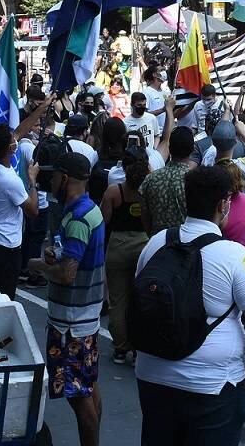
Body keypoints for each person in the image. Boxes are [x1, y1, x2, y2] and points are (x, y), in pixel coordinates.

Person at [134, 166, 245, 446]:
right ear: (223, 204)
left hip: (152, 374)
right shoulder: (236, 256)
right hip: (213, 383)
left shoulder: (156, 243)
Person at [25, 153, 105, 446]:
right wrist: (55, 255)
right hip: (84, 319)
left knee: (79, 397)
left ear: (65, 179)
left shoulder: (79, 219)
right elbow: (74, 258)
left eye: (55, 175)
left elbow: (67, 274)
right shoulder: (87, 210)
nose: (52, 181)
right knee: (89, 389)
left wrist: (38, 265)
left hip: (71, 325)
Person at [0, 123, 39, 300]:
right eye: (13, 139)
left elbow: (19, 132)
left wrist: (43, 107)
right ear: (10, 148)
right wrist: (32, 180)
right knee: (4, 299)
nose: (16, 139)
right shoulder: (10, 180)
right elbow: (33, 211)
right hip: (5, 247)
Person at [101, 148, 150, 364]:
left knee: (118, 299)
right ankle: (140, 345)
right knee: (141, 299)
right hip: (143, 244)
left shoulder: (114, 191)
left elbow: (105, 221)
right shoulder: (148, 191)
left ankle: (121, 346)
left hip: (118, 245)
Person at [140, 127, 197, 235]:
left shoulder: (151, 179)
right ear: (192, 150)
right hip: (187, 244)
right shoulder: (196, 181)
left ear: (170, 149)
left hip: (157, 243)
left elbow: (145, 217)